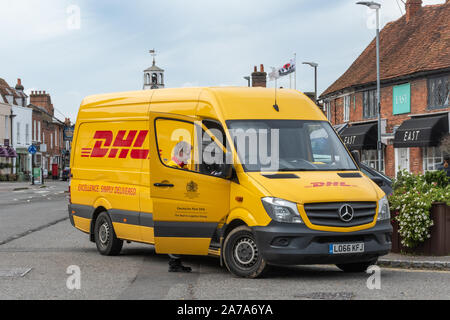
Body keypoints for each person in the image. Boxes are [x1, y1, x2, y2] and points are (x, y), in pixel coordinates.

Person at [166, 141, 193, 273]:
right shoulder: (172, 167)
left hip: (181, 205)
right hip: (174, 206)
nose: (188, 157)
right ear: (180, 153)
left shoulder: (183, 167)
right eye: (187, 154)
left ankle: (176, 262)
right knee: (175, 234)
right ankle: (174, 264)